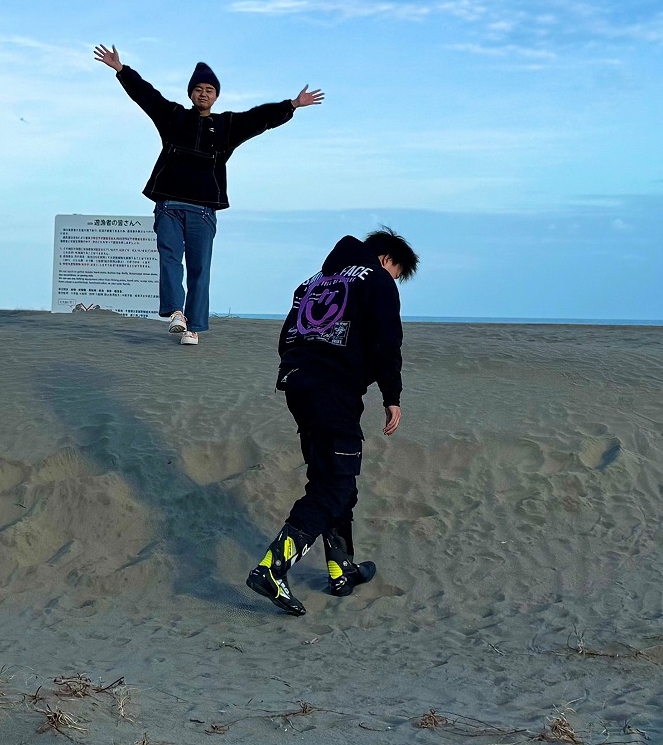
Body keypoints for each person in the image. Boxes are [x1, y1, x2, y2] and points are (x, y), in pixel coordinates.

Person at [94, 44, 322, 345]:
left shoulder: (227, 126)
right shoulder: (173, 117)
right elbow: (146, 95)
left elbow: (259, 118)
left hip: (202, 210)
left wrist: (292, 105)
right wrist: (122, 70)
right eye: (199, 89)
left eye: (209, 90)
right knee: (169, 258)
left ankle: (193, 327)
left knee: (200, 269)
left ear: (216, 96)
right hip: (169, 204)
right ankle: (177, 313)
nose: (204, 94)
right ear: (191, 93)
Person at [247, 227, 419, 615]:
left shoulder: (314, 281)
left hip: (299, 385)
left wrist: (300, 371)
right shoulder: (376, 280)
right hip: (334, 391)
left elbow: (287, 337)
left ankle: (342, 570)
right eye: (396, 274)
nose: (394, 281)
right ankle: (272, 568)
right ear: (386, 259)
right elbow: (387, 342)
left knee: (333, 477)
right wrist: (391, 396)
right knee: (334, 486)